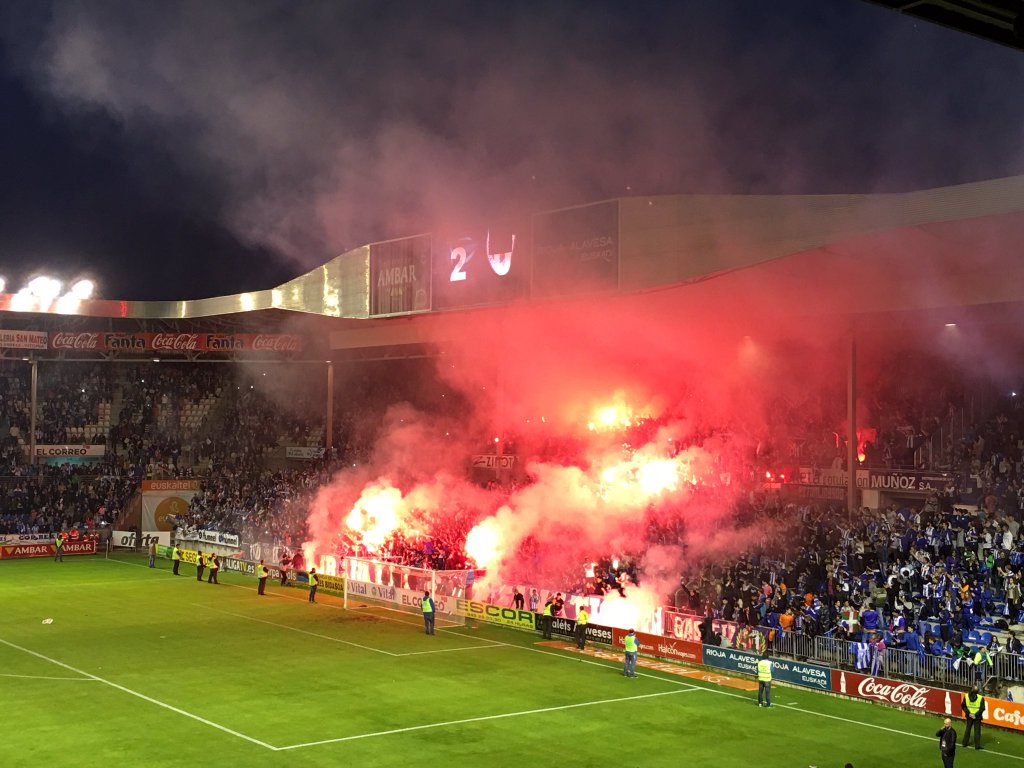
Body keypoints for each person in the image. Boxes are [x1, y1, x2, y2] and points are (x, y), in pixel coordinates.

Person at [961, 685, 986, 750]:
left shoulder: (966, 696)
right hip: (977, 716)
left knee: (968, 729)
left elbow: (963, 706)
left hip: (969, 716)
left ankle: (964, 743)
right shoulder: (980, 698)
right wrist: (975, 715)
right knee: (977, 731)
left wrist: (969, 713)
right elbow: (982, 708)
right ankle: (977, 746)